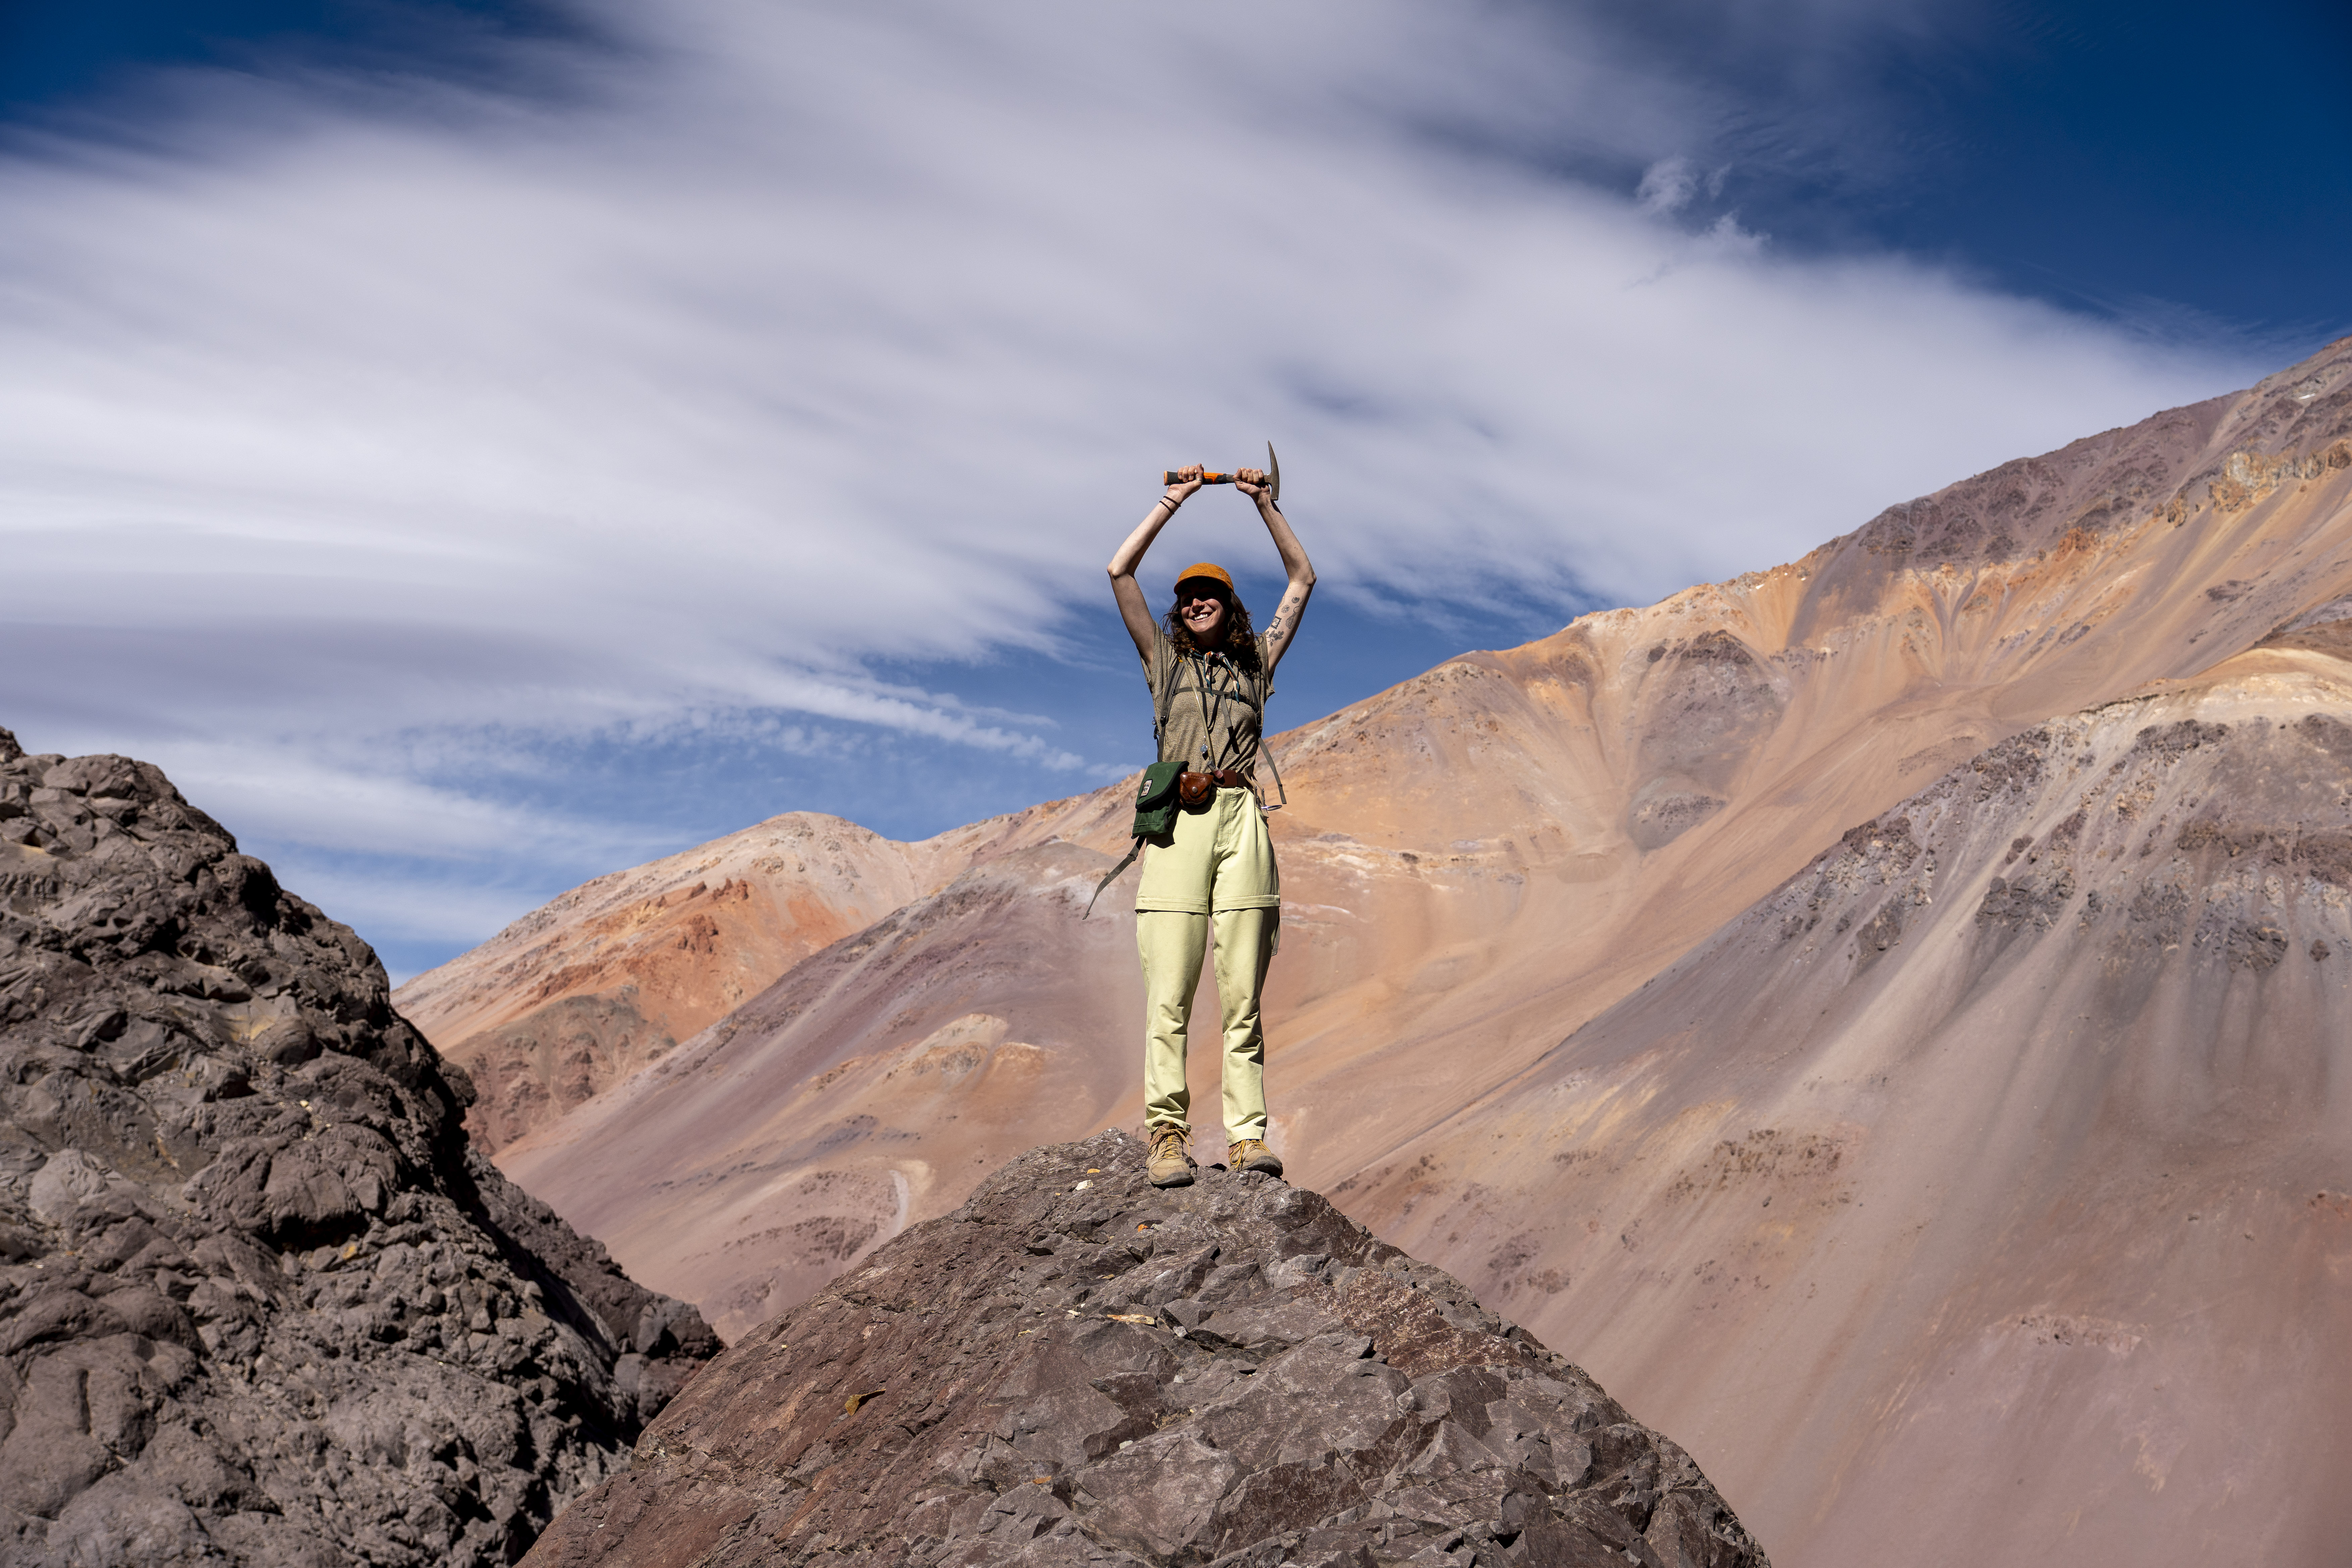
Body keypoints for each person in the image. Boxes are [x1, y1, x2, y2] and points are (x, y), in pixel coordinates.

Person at [1107, 462, 1315, 1188]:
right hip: (1176, 826)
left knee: (1241, 996)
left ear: (1231, 607)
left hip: (1240, 817)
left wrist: (1264, 504)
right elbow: (1119, 569)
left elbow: (1302, 579)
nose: (1198, 602)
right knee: (1169, 990)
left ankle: (1247, 1139)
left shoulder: (1256, 664)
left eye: (1212, 595)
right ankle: (1166, 1135)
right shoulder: (1163, 662)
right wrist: (1174, 502)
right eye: (1189, 596)